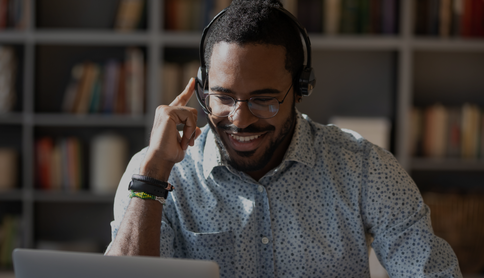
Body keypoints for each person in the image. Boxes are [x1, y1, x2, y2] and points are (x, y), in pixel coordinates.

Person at [106, 0, 462, 277]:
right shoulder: (157, 174)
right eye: (224, 97)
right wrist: (152, 175)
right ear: (202, 91)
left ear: (301, 89)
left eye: (263, 100)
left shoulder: (364, 168)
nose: (240, 119)